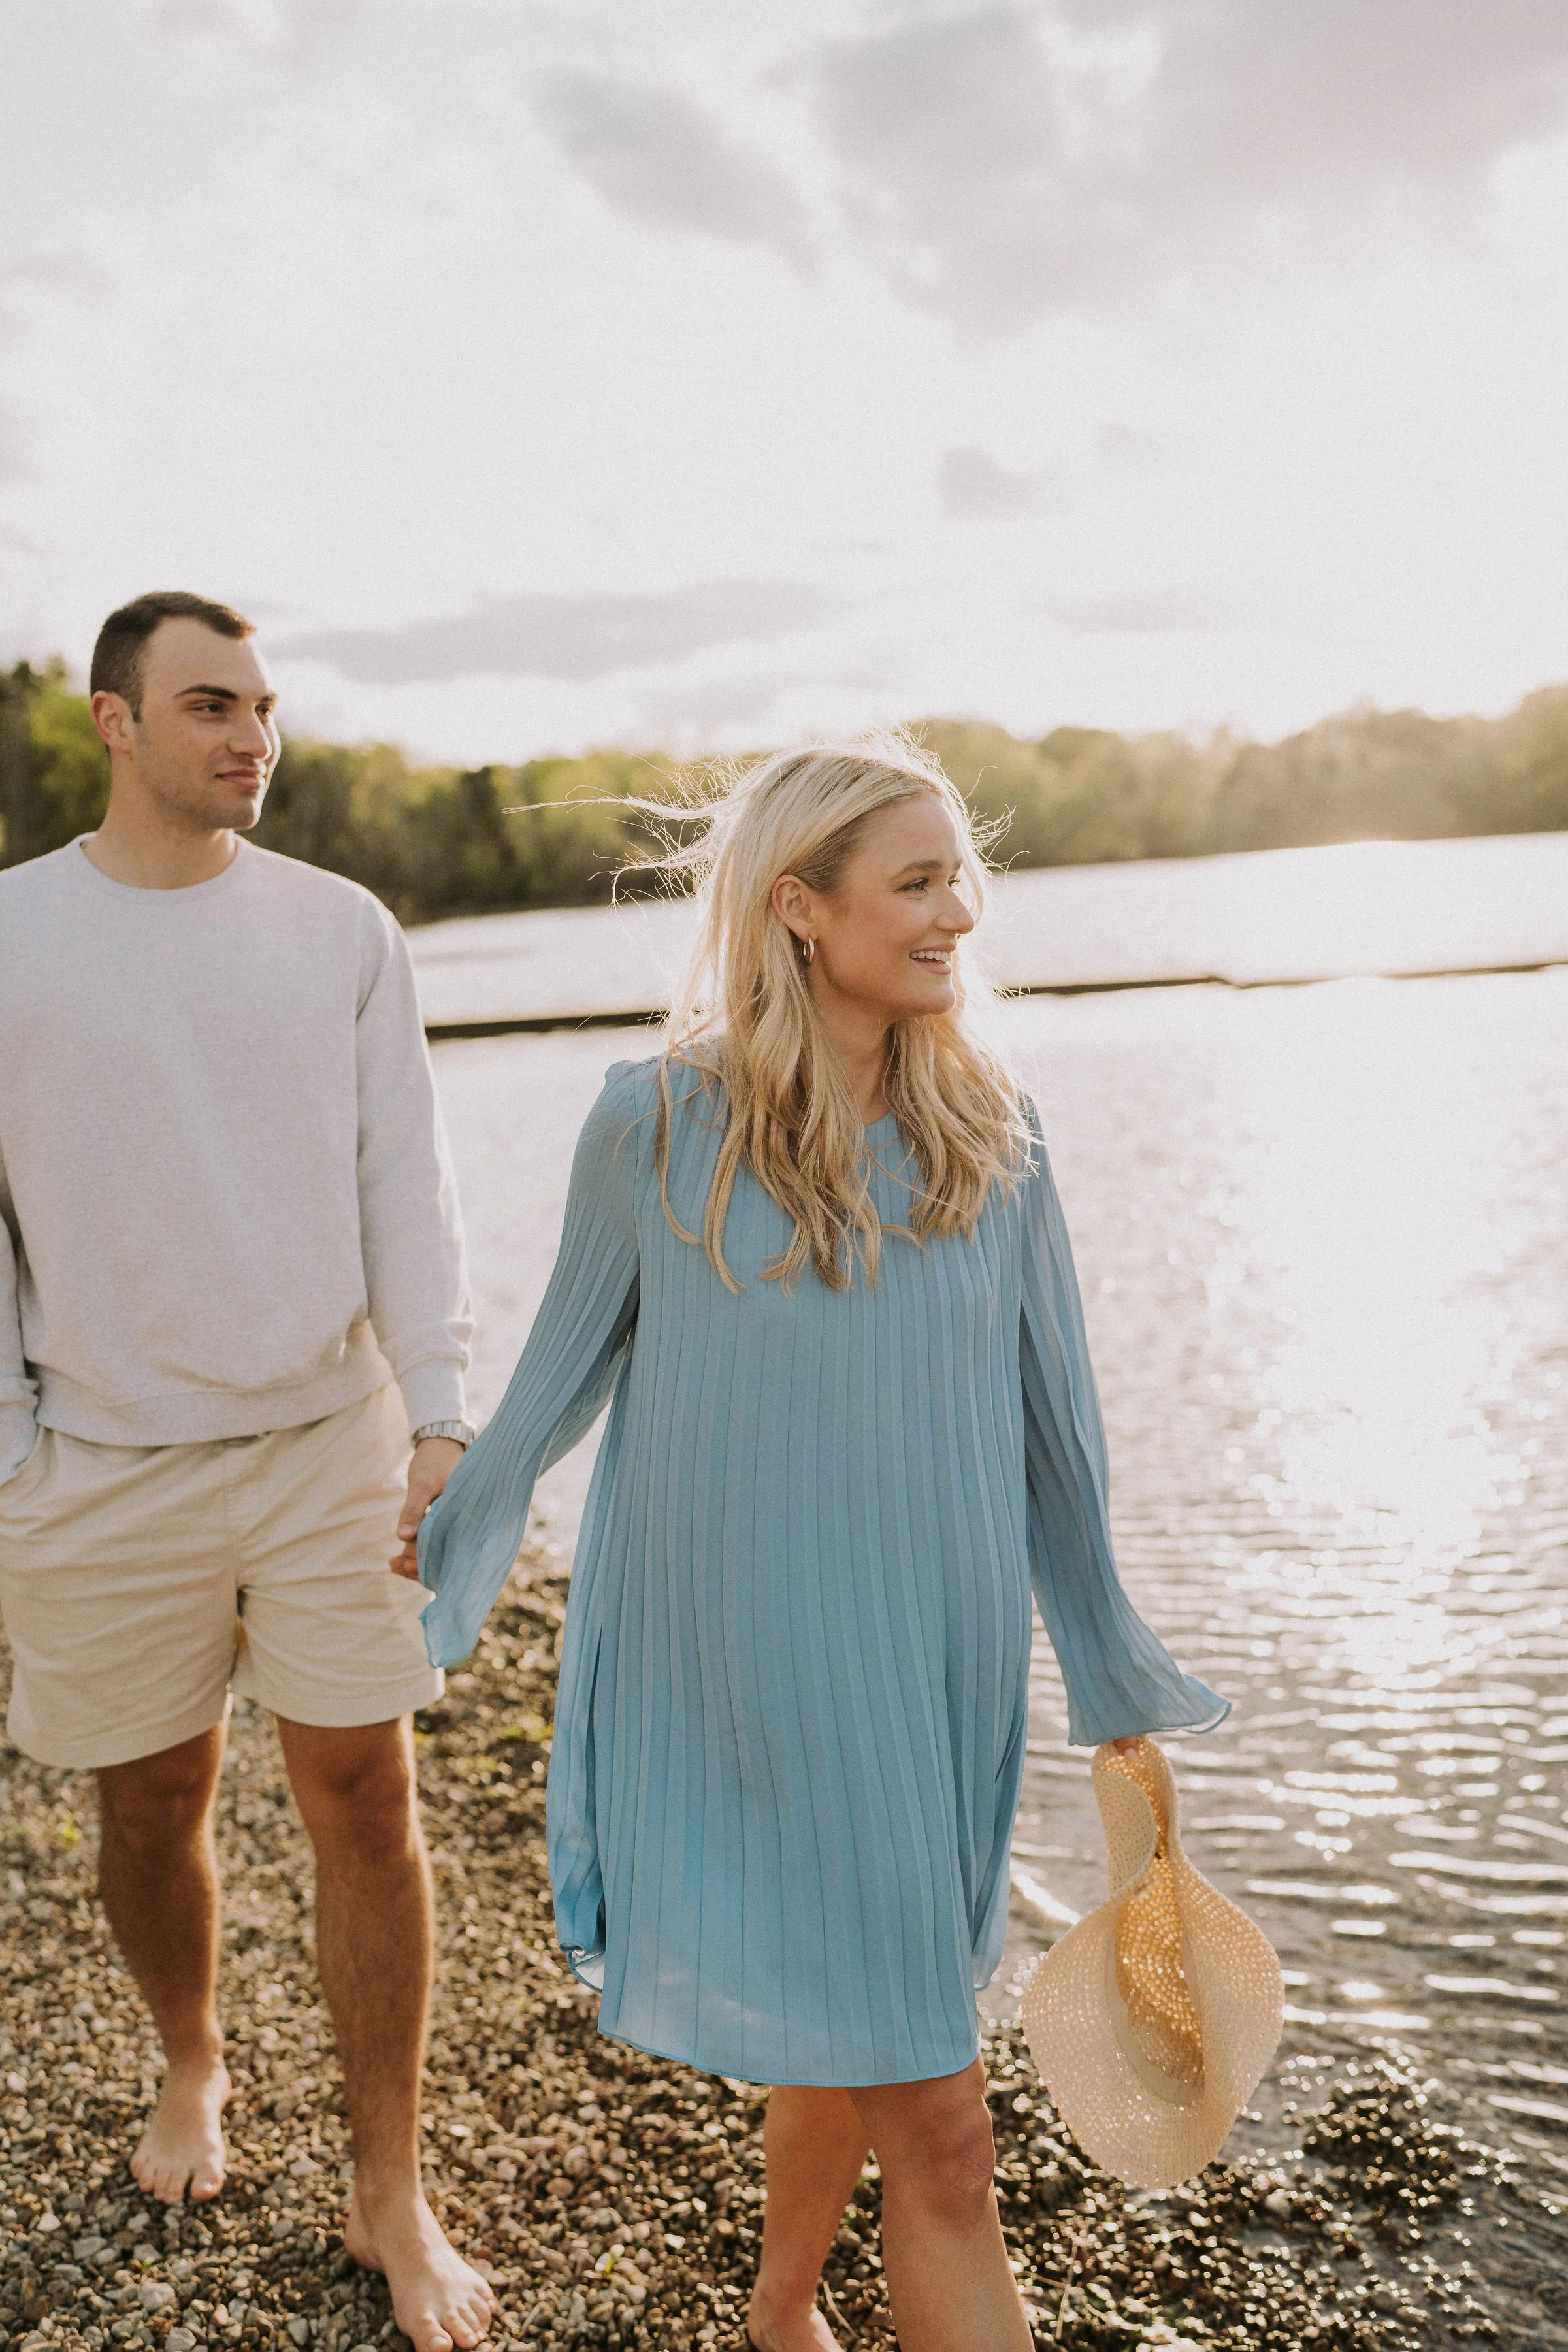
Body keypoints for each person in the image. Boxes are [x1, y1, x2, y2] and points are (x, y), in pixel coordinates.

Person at [406, 736, 1227, 2352]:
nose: (960, 915)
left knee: (857, 2007)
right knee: (947, 2125)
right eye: (918, 883)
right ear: (800, 906)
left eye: (960, 876)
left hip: (940, 1658)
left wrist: (1106, 1654)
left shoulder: (998, 1129)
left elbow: (1059, 1427)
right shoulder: (654, 1127)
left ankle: (782, 2309)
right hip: (758, 1666)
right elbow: (553, 1383)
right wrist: (447, 1534)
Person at [0, 593, 494, 2352]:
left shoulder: (341, 929)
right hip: (102, 1463)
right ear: (114, 724)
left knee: (367, 1800)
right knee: (150, 1808)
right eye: (209, 704)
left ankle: (389, 2190)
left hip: (325, 1441)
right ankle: (192, 2065)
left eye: (265, 707)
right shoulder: (13, 938)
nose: (250, 736)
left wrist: (439, 1410)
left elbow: (403, 1188)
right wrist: (12, 1453)